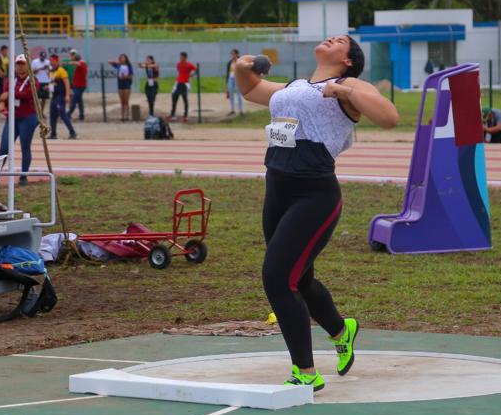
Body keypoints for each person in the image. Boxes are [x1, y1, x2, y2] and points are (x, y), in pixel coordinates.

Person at [234, 34, 398, 392]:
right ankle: (342, 330)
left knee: (278, 278)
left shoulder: (347, 83)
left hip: (314, 195)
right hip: (277, 188)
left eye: (340, 40)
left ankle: (305, 372)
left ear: (349, 60)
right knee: (300, 280)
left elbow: (388, 117)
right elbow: (251, 91)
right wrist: (241, 68)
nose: (331, 38)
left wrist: (346, 93)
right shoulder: (293, 87)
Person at [0, 55, 37, 185]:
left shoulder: (33, 80)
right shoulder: (10, 80)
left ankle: (23, 176)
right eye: (18, 64)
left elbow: (27, 94)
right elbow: (3, 95)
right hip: (12, 118)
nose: (20, 67)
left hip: (28, 118)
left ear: (28, 66)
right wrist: (2, 103)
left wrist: (9, 94)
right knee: (4, 148)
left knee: (25, 147)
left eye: (23, 64)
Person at [48, 54, 77, 140]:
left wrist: (67, 95)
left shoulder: (61, 70)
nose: (51, 62)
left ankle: (73, 133)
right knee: (52, 115)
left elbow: (66, 83)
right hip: (54, 96)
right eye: (50, 60)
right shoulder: (51, 71)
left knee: (63, 115)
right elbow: (53, 83)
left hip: (61, 96)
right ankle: (53, 134)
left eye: (52, 60)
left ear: (57, 61)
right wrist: (48, 87)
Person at [169, 52, 197, 121]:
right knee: (174, 97)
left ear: (185, 57)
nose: (180, 58)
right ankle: (173, 115)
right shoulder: (178, 64)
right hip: (178, 83)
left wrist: (191, 75)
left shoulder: (189, 64)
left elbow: (196, 70)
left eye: (181, 57)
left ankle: (185, 116)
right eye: (180, 57)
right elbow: (179, 71)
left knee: (185, 99)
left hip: (185, 84)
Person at [109, 54, 134, 122]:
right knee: (122, 101)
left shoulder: (129, 65)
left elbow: (131, 76)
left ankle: (127, 116)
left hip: (126, 84)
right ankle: (122, 116)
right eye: (121, 58)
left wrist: (125, 77)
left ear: (126, 59)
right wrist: (118, 62)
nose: (122, 59)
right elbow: (110, 62)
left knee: (126, 100)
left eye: (123, 58)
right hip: (120, 84)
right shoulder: (119, 65)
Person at [68, 49, 88, 122]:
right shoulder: (81, 63)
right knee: (79, 101)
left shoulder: (82, 62)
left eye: (74, 55)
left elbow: (78, 64)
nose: (72, 57)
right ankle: (81, 115)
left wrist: (70, 62)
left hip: (79, 86)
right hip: (77, 85)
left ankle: (68, 114)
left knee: (74, 100)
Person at [226, 49, 244, 115]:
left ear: (237, 54)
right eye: (231, 54)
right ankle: (232, 109)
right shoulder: (230, 62)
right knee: (231, 94)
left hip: (238, 79)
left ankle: (241, 110)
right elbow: (227, 73)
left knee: (239, 94)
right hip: (230, 79)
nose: (232, 55)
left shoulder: (240, 61)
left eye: (233, 54)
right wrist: (227, 82)